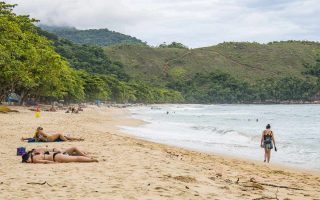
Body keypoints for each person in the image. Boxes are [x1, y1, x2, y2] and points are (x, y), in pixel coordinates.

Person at [21, 150, 98, 163]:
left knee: (76, 159)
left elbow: (45, 162)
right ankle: (90, 158)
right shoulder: (34, 154)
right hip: (55, 154)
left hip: (56, 158)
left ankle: (91, 160)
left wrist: (53, 163)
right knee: (74, 157)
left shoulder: (34, 160)